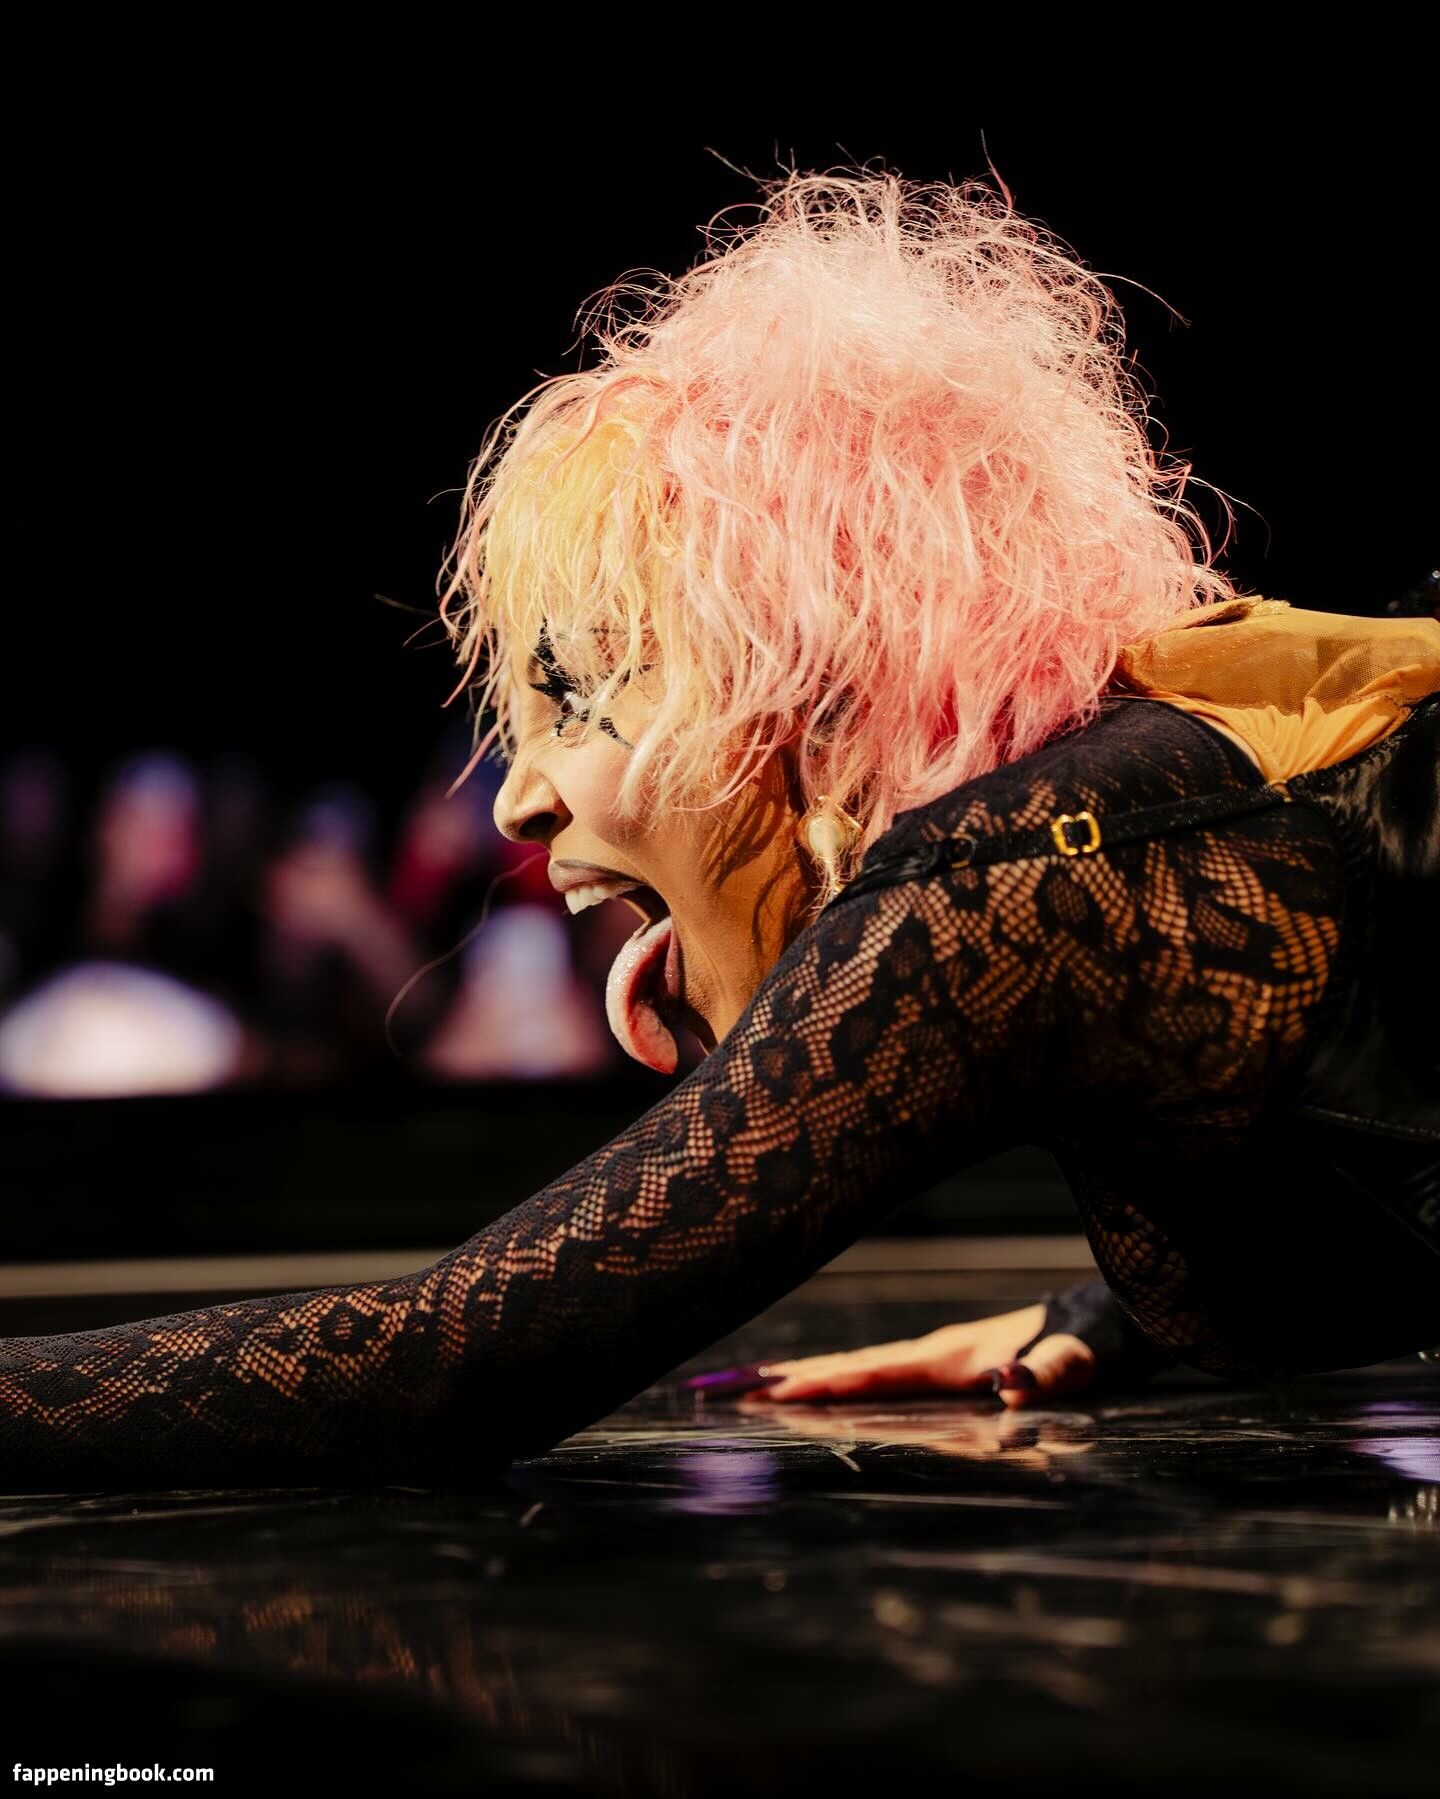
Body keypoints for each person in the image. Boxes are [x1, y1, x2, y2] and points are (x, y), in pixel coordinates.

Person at [1, 168, 1435, 1492]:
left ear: (814, 691)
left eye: (581, 698)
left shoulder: (1012, 876)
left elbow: (445, 1364)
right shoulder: (1126, 826)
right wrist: (1101, 1318)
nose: (516, 798)